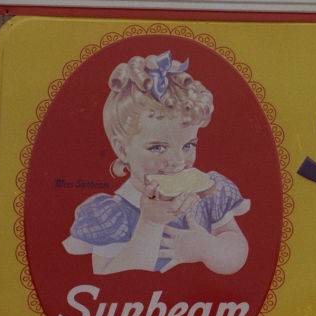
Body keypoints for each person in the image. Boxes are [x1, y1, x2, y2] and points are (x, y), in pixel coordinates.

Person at [61, 51, 250, 275]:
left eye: (188, 145)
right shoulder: (113, 215)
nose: (178, 161)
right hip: (142, 308)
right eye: (158, 147)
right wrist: (149, 223)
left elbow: (237, 254)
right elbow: (109, 280)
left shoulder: (208, 194)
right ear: (122, 149)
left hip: (202, 305)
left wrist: (206, 248)